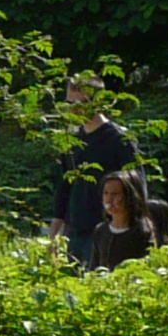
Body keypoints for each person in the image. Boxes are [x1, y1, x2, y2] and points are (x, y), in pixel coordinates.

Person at [46, 81, 137, 268]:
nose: (73, 110)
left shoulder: (120, 140)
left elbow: (136, 187)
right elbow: (64, 188)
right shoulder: (71, 141)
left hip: (108, 231)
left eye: (79, 104)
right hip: (75, 232)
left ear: (97, 102)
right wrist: (54, 234)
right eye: (69, 104)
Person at [94, 167, 157, 270]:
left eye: (115, 194)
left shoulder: (142, 232)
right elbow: (94, 268)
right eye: (106, 193)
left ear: (130, 197)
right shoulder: (100, 231)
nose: (109, 200)